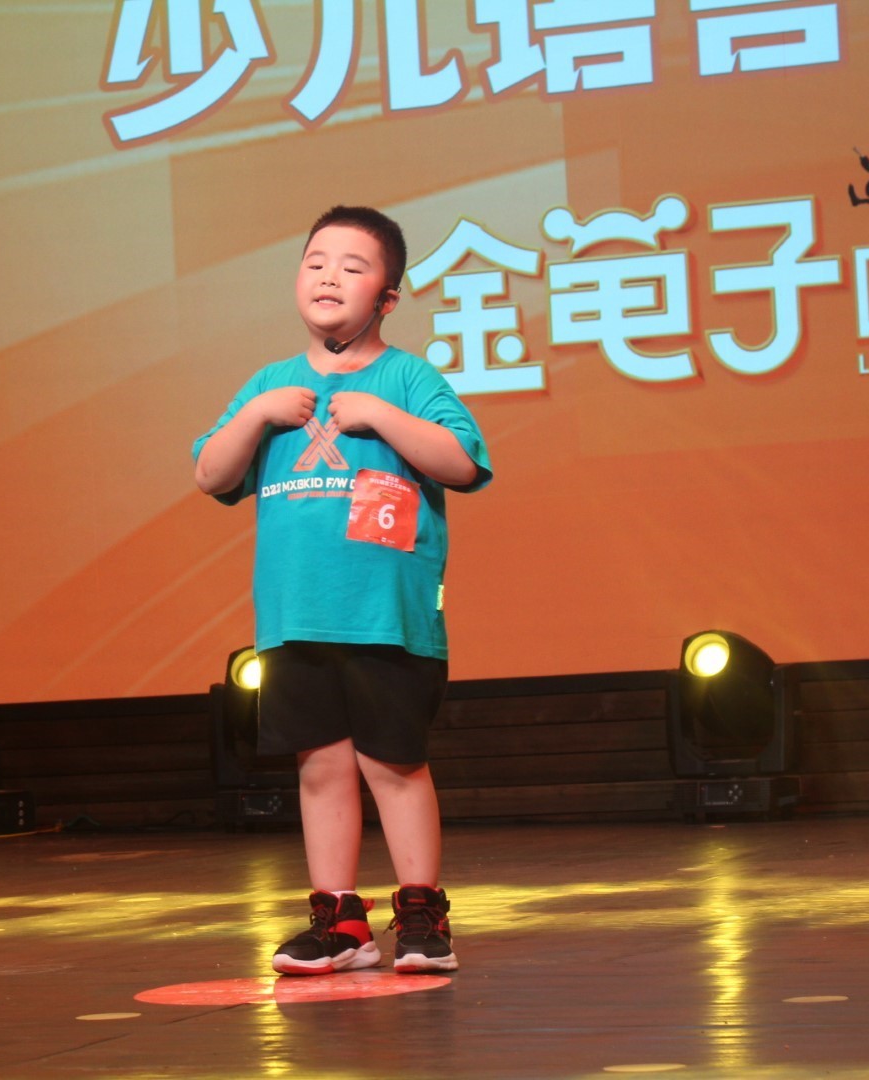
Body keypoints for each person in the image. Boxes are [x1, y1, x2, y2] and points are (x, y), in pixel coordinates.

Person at [192, 205, 492, 976]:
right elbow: (211, 473)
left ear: (387, 297)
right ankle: (340, 922)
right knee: (320, 767)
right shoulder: (270, 384)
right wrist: (257, 414)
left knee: (393, 762)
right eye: (316, 262)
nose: (329, 277)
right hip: (296, 617)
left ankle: (420, 911)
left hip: (385, 617)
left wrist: (383, 417)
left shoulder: (407, 378)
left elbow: (462, 462)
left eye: (353, 268)